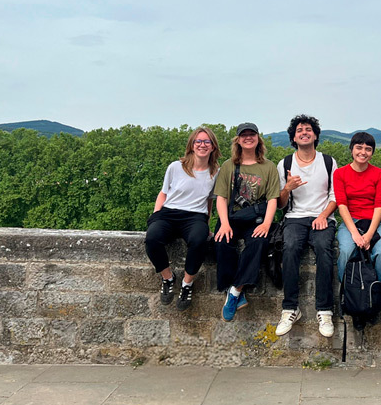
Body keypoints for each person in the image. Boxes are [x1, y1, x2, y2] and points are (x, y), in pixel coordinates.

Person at [273, 115, 339, 338]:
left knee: (324, 249)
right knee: (290, 248)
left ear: (316, 135)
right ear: (293, 137)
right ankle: (290, 308)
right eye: (299, 130)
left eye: (308, 129)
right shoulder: (286, 164)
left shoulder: (328, 162)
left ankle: (324, 310)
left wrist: (323, 216)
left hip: (322, 217)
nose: (304, 132)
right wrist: (287, 188)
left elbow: (335, 196)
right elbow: (281, 203)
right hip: (295, 217)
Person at [144, 126, 220, 311]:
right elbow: (163, 193)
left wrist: (206, 223)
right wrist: (156, 214)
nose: (202, 145)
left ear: (213, 147)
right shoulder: (176, 167)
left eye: (206, 141)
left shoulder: (215, 172)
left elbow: (209, 201)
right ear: (192, 145)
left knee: (199, 240)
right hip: (169, 212)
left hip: (195, 216)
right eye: (198, 141)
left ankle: (187, 284)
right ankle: (168, 278)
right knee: (152, 239)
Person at [214, 122, 282, 322]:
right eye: (244, 135)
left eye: (252, 134)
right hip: (232, 217)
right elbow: (221, 198)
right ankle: (237, 291)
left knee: (259, 243)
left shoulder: (268, 167)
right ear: (238, 140)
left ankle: (235, 291)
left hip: (256, 219)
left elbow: (272, 200)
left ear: (258, 139)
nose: (248, 138)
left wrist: (267, 224)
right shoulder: (229, 165)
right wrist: (224, 223)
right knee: (221, 242)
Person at [335, 131, 381, 311]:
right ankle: (350, 297)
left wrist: (368, 236)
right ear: (352, 149)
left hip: (375, 222)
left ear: (372, 152)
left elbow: (379, 206)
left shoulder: (378, 174)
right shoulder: (340, 173)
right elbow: (342, 205)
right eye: (359, 147)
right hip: (350, 221)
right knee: (346, 251)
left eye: (368, 149)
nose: (363, 152)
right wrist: (354, 233)